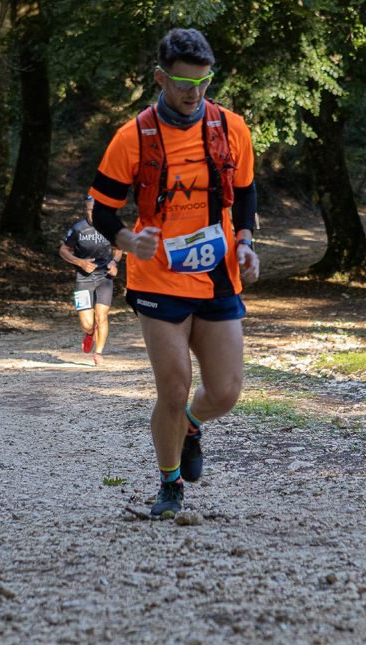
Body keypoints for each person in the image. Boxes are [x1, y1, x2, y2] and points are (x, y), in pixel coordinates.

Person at [89, 27, 260, 517]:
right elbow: (101, 211)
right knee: (174, 385)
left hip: (218, 274)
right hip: (158, 276)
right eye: (185, 83)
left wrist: (246, 241)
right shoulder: (132, 137)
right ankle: (169, 487)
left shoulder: (231, 128)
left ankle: (191, 425)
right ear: (161, 78)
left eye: (204, 82)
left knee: (225, 392)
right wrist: (128, 241)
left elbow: (245, 191)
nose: (195, 93)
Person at [59, 194, 123, 366]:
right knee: (87, 323)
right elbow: (63, 250)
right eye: (90, 210)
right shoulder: (78, 229)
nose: (94, 214)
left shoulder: (109, 228)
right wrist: (80, 262)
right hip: (84, 278)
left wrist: (114, 262)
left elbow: (118, 249)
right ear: (85, 210)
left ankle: (98, 353)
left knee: (101, 316)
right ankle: (89, 333)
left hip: (104, 277)